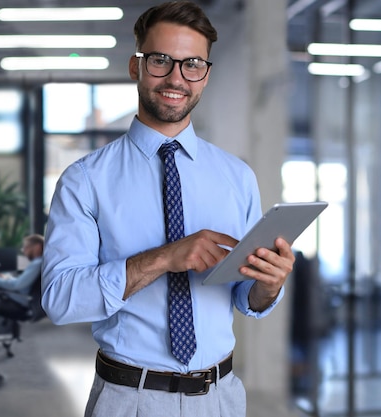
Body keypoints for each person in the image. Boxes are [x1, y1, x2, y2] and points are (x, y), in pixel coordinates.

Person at [41, 2, 296, 416]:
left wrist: (267, 286)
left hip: (221, 399)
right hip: (129, 399)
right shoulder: (85, 179)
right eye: (160, 61)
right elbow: (60, 299)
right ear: (135, 66)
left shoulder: (238, 177)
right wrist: (164, 257)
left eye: (192, 64)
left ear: (206, 75)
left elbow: (243, 293)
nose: (176, 78)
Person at [0, 234, 44, 315]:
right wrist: (7, 278)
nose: (23, 251)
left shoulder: (37, 263)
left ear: (37, 247)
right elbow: (21, 283)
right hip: (23, 296)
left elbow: (16, 285)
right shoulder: (40, 262)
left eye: (26, 247)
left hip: (22, 299)